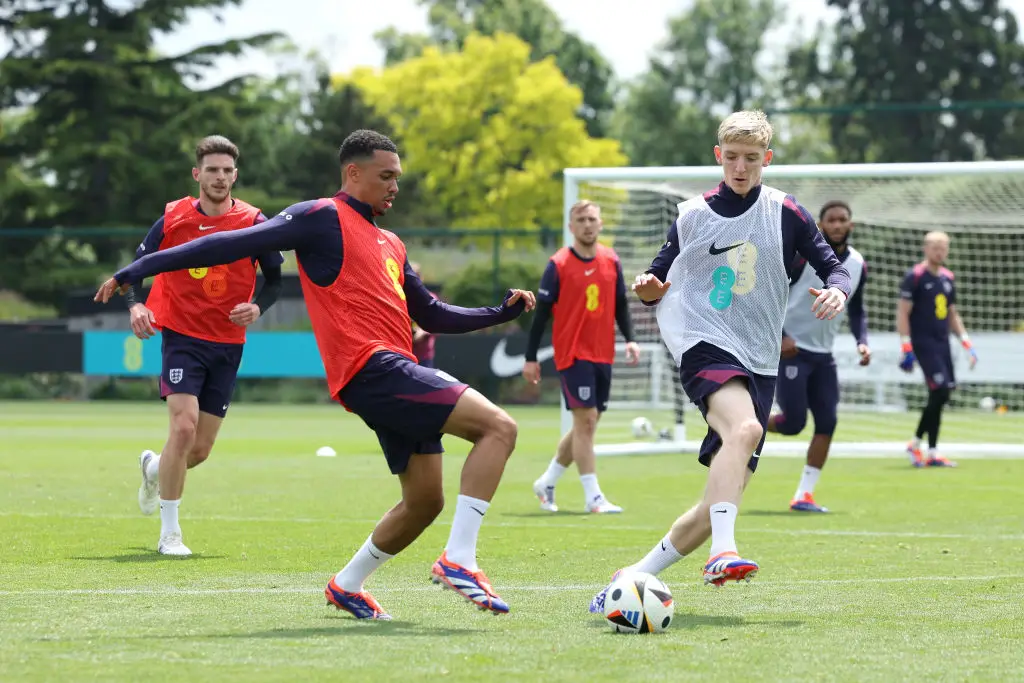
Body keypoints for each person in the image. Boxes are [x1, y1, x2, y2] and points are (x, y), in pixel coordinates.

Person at [96, 129, 536, 620]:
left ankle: (347, 585)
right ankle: (460, 559)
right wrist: (135, 271)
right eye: (385, 175)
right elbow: (225, 245)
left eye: (398, 178)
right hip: (373, 368)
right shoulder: (320, 216)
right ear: (353, 173)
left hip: (392, 372)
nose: (395, 186)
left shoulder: (391, 241)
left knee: (425, 501)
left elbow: (431, 313)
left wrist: (498, 313)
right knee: (500, 426)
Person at [588, 110, 851, 614]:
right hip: (703, 340)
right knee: (746, 430)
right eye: (732, 157)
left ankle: (630, 579)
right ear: (718, 156)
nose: (741, 167)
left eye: (752, 159)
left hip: (760, 357)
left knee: (714, 505)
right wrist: (648, 289)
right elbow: (655, 276)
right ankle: (722, 554)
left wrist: (837, 293)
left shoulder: (786, 212)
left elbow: (833, 267)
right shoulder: (691, 214)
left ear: (766, 160)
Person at [124, 135, 283, 556]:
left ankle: (154, 468)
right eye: (212, 170)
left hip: (228, 343)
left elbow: (276, 279)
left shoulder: (253, 222)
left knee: (197, 450)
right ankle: (170, 534)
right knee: (182, 427)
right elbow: (137, 267)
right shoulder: (173, 217)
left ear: (236, 175)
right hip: (181, 335)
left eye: (227, 170)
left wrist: (257, 307)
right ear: (198, 174)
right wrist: (136, 304)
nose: (220, 177)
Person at [523, 200, 640, 514]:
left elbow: (621, 305)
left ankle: (547, 481)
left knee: (585, 425)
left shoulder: (611, 260)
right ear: (571, 227)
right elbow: (541, 316)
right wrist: (530, 357)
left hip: (603, 353)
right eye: (581, 220)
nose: (587, 224)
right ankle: (593, 497)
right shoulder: (558, 265)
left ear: (600, 224)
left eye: (592, 219)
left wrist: (630, 340)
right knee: (586, 422)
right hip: (573, 354)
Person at [765, 200, 870, 513]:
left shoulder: (858, 263)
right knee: (793, 423)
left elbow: (858, 308)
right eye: (831, 220)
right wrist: (780, 336)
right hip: (793, 350)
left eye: (842, 220)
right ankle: (748, 422)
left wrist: (861, 341)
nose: (837, 225)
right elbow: (773, 294)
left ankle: (804, 495)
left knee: (828, 422)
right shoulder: (802, 257)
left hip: (824, 356)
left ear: (850, 225)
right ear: (821, 225)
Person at [897, 231, 976, 467]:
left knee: (941, 394)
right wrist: (906, 346)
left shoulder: (947, 278)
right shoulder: (916, 276)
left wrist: (965, 340)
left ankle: (930, 451)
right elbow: (903, 312)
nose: (940, 252)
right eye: (935, 247)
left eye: (944, 248)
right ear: (926, 249)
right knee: (940, 390)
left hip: (942, 343)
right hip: (924, 343)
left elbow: (952, 313)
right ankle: (916, 445)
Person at [409, 262, 437, 368]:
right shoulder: (398, 297)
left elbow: (437, 323)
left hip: (423, 356)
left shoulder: (430, 297)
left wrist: (422, 333)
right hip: (402, 355)